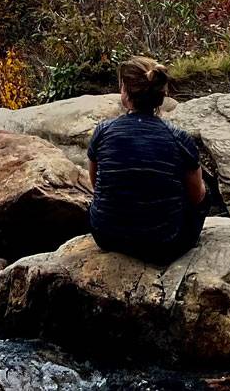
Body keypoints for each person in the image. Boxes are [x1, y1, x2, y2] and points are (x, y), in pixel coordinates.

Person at [86, 57, 212, 263]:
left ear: (125, 93)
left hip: (107, 236)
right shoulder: (178, 137)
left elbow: (94, 183)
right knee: (206, 194)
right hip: (164, 244)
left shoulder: (103, 131)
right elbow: (197, 196)